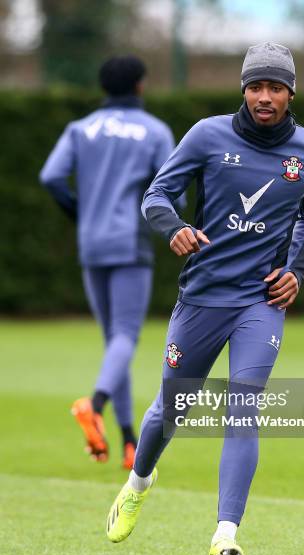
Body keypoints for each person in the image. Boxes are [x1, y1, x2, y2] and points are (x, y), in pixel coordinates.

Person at [105, 43, 304, 555]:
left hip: (260, 302)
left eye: (275, 87)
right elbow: (156, 196)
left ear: (291, 93)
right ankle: (138, 483)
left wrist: (296, 271)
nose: (264, 96)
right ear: (243, 90)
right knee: (172, 411)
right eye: (255, 86)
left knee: (243, 409)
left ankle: (224, 537)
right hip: (202, 297)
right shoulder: (208, 135)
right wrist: (176, 229)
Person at [40, 56, 181, 470]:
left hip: (91, 242)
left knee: (113, 343)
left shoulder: (80, 128)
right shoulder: (154, 130)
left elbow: (51, 176)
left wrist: (80, 214)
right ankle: (95, 404)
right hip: (130, 241)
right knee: (125, 336)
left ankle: (128, 441)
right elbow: (170, 186)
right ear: (140, 85)